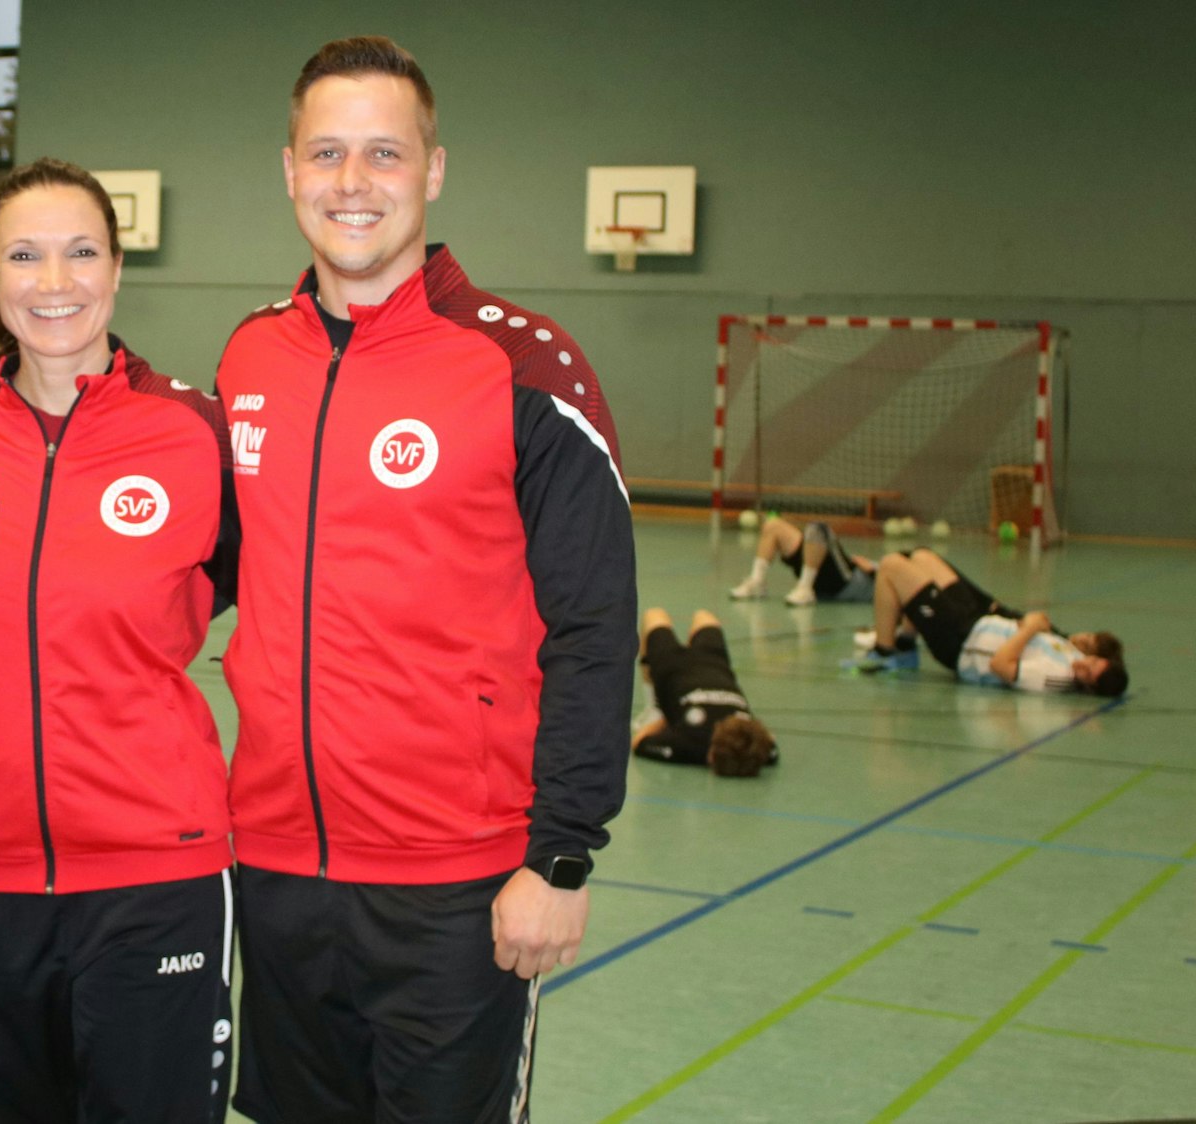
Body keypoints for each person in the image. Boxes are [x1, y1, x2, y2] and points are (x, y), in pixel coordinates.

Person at [216, 37, 636, 1122]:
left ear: (433, 172)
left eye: (385, 154)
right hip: (274, 863)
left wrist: (562, 854)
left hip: (462, 881)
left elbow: (594, 624)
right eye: (328, 153)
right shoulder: (251, 356)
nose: (353, 183)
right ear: (288, 169)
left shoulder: (525, 367)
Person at [0, 158, 236, 1122]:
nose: (55, 283)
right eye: (26, 256)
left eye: (81, 252)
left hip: (153, 874)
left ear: (118, 269)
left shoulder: (191, 433)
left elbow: (252, 583)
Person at [842, 548, 1128, 696]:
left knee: (891, 565)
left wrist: (1029, 627)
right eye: (1091, 660)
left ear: (1087, 688)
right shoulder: (1075, 657)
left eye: (1088, 671)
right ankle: (905, 641)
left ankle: (884, 652)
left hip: (960, 642)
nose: (1083, 662)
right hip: (977, 621)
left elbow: (1000, 666)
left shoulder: (1055, 678)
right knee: (922, 557)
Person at [631, 609, 778, 777]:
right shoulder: (763, 750)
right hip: (713, 663)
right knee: (704, 616)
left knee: (654, 615)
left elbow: (639, 742)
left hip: (671, 666)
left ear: (710, 755)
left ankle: (653, 707)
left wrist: (664, 716)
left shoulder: (688, 744)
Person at [729, 514, 876, 606]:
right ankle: (757, 582)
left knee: (818, 529)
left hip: (846, 583)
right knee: (773, 526)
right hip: (838, 573)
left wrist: (875, 569)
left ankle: (805, 588)